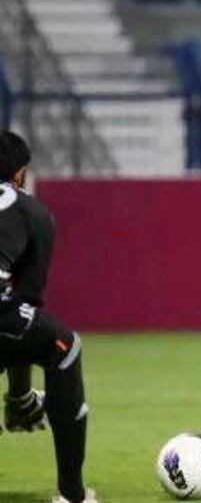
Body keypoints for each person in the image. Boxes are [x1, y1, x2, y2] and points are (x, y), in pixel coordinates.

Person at [0, 131, 95, 503]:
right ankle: (71, 493)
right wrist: (20, 395)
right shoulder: (31, 210)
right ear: (20, 174)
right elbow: (25, 306)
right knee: (64, 347)